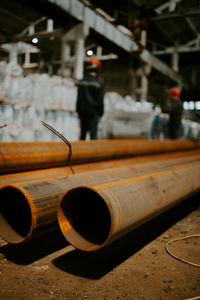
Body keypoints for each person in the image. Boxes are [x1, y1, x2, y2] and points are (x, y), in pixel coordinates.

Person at [76, 58, 104, 140]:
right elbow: (100, 101)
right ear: (97, 69)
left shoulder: (81, 82)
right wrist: (101, 113)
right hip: (93, 112)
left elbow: (79, 98)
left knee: (82, 134)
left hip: (83, 111)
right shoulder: (98, 84)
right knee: (93, 135)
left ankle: (80, 152)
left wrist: (78, 110)